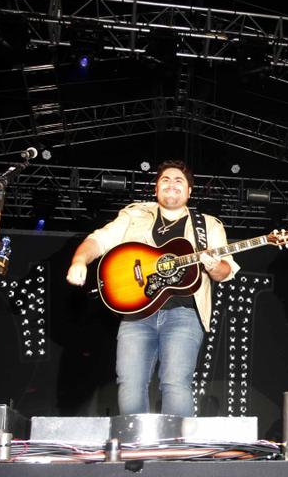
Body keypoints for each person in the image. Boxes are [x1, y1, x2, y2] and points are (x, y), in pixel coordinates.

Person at [66, 160, 239, 416]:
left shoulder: (208, 226)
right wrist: (79, 260)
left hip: (185, 314)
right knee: (130, 385)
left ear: (189, 191)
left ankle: (176, 452)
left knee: (176, 384)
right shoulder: (134, 215)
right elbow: (99, 240)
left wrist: (214, 267)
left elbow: (226, 269)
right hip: (137, 315)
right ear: (156, 189)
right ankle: (136, 451)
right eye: (165, 180)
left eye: (179, 181)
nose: (172, 184)